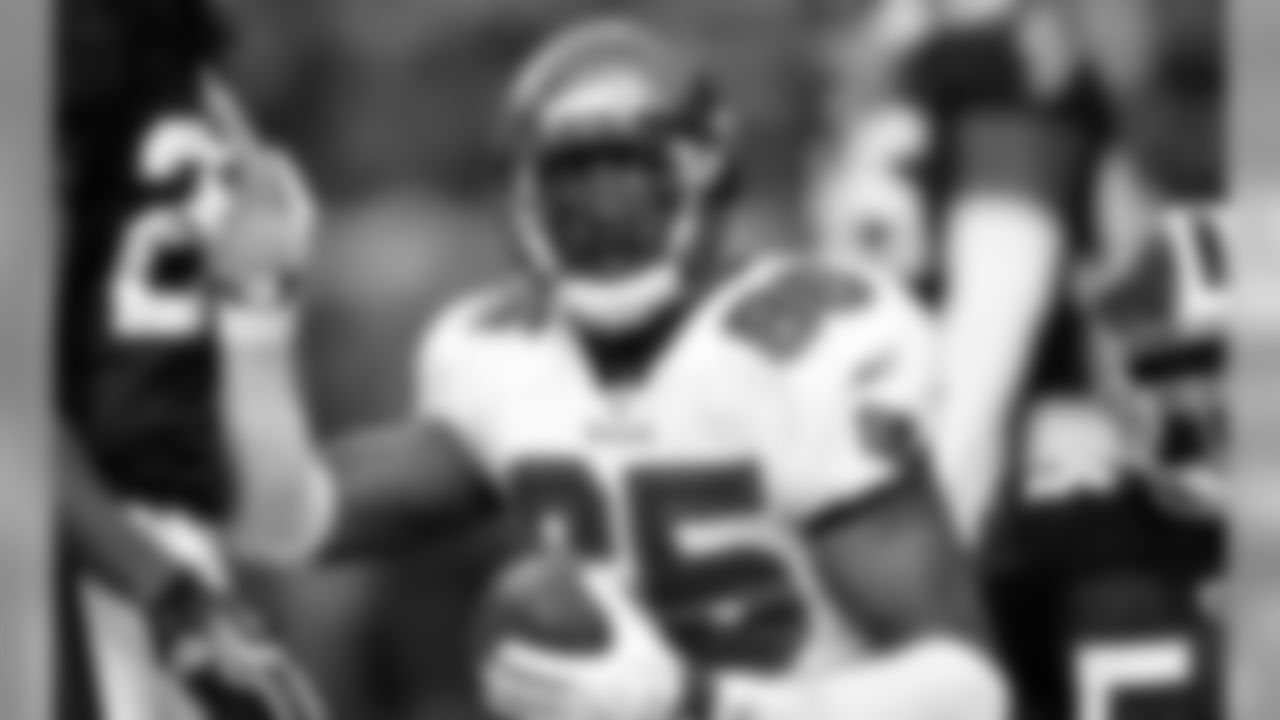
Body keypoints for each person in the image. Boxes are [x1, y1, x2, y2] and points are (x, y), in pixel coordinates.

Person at [210, 17, 1010, 720]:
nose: (604, 214)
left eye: (630, 179)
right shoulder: (498, 360)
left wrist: (698, 702)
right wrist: (256, 312)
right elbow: (286, 519)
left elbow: (970, 690)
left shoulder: (798, 356)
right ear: (521, 201)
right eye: (575, 185)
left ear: (705, 179)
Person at [811, 0, 1223, 717]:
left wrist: (926, 559)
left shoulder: (997, 73)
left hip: (995, 485)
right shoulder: (922, 59)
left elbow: (993, 329)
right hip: (913, 479)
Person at [56, 0, 326, 718]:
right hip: (83, 554)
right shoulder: (79, 55)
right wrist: (166, 593)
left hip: (148, 545)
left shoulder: (192, 87)